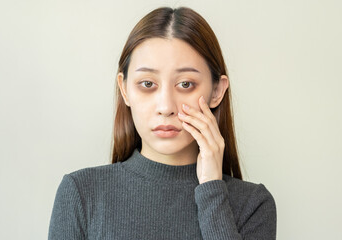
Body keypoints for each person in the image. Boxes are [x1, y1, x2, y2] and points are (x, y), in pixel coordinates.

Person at [48, 6, 277, 240]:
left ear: (217, 91)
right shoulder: (80, 193)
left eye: (186, 84)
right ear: (124, 90)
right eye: (147, 84)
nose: (166, 107)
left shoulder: (253, 205)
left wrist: (211, 191)